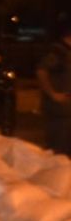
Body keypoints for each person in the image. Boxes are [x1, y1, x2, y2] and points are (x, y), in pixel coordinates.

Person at [36, 18, 71, 155]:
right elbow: (41, 71)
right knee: (59, 149)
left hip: (66, 110)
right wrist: (53, 94)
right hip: (60, 111)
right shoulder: (58, 52)